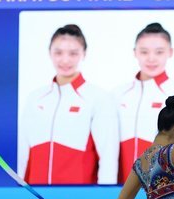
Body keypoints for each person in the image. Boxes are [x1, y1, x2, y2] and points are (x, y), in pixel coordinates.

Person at [18, 24, 118, 185]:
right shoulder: (35, 98)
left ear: (84, 54)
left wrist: (106, 195)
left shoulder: (98, 98)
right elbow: (22, 152)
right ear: (50, 52)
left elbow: (108, 157)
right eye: (58, 52)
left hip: (77, 195)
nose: (65, 60)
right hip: (36, 193)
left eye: (73, 53)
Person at [116, 23, 174, 183]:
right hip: (122, 186)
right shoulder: (118, 94)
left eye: (159, 52)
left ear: (170, 52)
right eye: (144, 51)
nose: (151, 58)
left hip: (161, 187)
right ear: (135, 52)